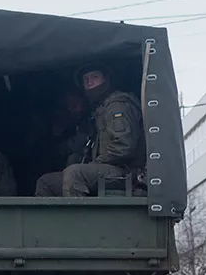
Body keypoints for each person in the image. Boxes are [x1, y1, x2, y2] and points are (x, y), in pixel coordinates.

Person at [34, 65, 144, 197]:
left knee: (75, 173)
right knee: (47, 182)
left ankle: (76, 211)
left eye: (94, 77)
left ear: (106, 79)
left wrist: (95, 163)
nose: (89, 82)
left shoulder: (117, 105)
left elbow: (124, 148)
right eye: (86, 79)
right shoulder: (98, 110)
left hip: (124, 172)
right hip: (107, 170)